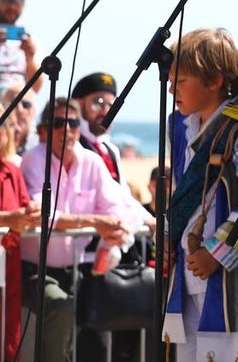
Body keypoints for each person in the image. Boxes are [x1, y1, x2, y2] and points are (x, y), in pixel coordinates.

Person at [163, 27, 238, 362]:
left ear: (215, 80)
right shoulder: (186, 131)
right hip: (188, 282)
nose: (171, 88)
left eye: (181, 79)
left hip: (229, 281)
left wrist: (216, 254)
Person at [20, 97, 144, 362]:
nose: (66, 129)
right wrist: (96, 222)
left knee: (96, 332)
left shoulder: (92, 161)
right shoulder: (33, 159)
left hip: (80, 268)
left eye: (73, 122)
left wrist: (113, 237)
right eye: (58, 123)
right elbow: (42, 214)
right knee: (61, 307)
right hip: (35, 269)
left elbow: (119, 207)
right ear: (43, 130)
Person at [0, 119, 37, 362]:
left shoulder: (12, 170)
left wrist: (32, 210)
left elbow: (25, 205)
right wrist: (8, 219)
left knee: (10, 334)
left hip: (9, 268)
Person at [72, 71, 123, 183]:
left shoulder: (111, 151)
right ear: (78, 104)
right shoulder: (71, 148)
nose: (105, 111)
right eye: (98, 103)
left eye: (111, 105)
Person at [0, 0, 39, 94]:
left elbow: (36, 88)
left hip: (18, 102)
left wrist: (30, 58)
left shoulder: (31, 41)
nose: (12, 5)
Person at [0, 86, 33, 160]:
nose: (19, 109)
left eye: (25, 104)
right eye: (13, 103)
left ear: (33, 112)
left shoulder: (40, 146)